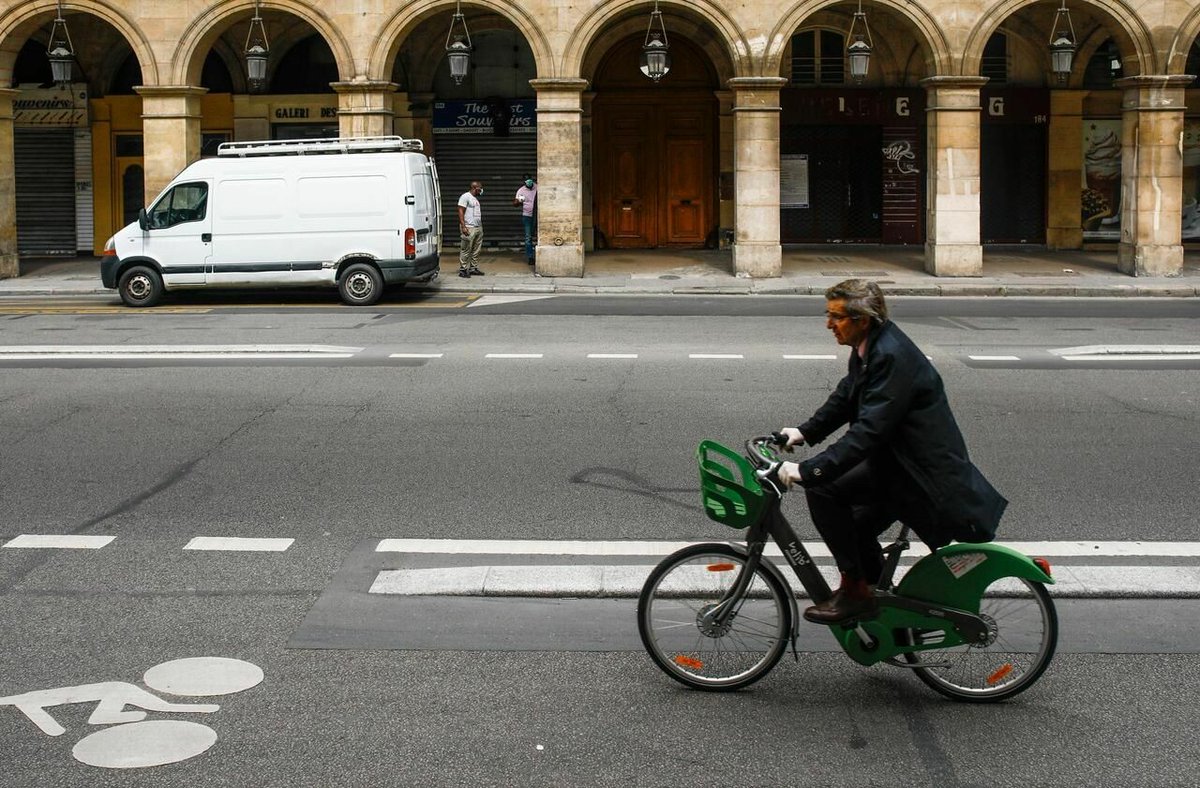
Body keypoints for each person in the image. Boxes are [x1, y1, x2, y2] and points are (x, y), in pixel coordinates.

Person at [775, 279, 1007, 625]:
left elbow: (869, 431)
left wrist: (808, 471)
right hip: (896, 464)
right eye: (829, 315)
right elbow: (846, 395)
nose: (828, 324)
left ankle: (857, 592)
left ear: (862, 320)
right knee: (855, 526)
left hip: (918, 475)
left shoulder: (891, 356)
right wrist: (804, 432)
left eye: (836, 317)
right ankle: (878, 602)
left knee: (824, 490)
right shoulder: (870, 348)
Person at [457, 181, 484, 278]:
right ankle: (463, 269)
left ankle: (473, 268)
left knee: (476, 249)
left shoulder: (475, 199)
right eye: (480, 188)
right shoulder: (465, 197)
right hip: (469, 227)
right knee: (466, 249)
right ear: (474, 187)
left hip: (478, 227)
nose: (481, 190)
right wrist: (463, 226)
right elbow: (460, 211)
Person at [512, 175, 537, 264]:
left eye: (530, 180)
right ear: (524, 182)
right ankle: (530, 257)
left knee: (540, 236)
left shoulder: (537, 187)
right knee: (528, 237)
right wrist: (518, 202)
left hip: (538, 216)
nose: (529, 182)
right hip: (527, 216)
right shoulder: (521, 191)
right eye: (527, 181)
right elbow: (514, 204)